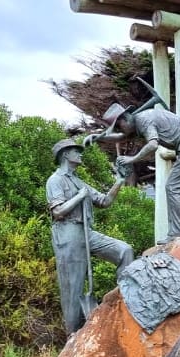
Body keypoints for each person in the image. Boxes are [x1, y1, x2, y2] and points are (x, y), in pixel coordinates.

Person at [84, 104, 180, 243]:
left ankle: (178, 233)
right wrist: (98, 137)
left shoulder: (144, 120)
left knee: (174, 187)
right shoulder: (140, 120)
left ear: (125, 118)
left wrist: (132, 159)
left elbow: (153, 144)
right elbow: (122, 136)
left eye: (118, 127)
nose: (119, 131)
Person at [47, 138, 134, 334]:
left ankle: (125, 302)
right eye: (76, 151)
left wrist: (119, 181)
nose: (80, 154)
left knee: (124, 251)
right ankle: (73, 336)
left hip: (86, 232)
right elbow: (58, 211)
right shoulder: (55, 180)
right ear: (65, 155)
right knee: (73, 289)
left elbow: (104, 201)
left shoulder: (78, 181)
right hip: (67, 233)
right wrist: (79, 196)